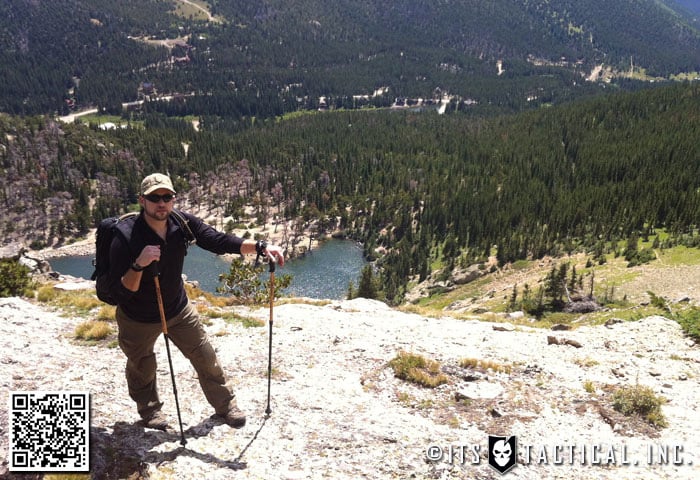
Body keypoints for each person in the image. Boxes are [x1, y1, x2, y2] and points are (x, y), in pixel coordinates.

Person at [107, 173, 285, 430]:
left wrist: (259, 246)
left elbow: (219, 241)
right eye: (154, 198)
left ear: (173, 199)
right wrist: (139, 263)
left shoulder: (182, 223)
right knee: (141, 365)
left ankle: (225, 406)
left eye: (166, 197)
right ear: (141, 201)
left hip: (178, 309)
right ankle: (149, 411)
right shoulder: (125, 236)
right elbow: (122, 291)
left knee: (205, 356)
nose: (161, 203)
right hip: (137, 317)